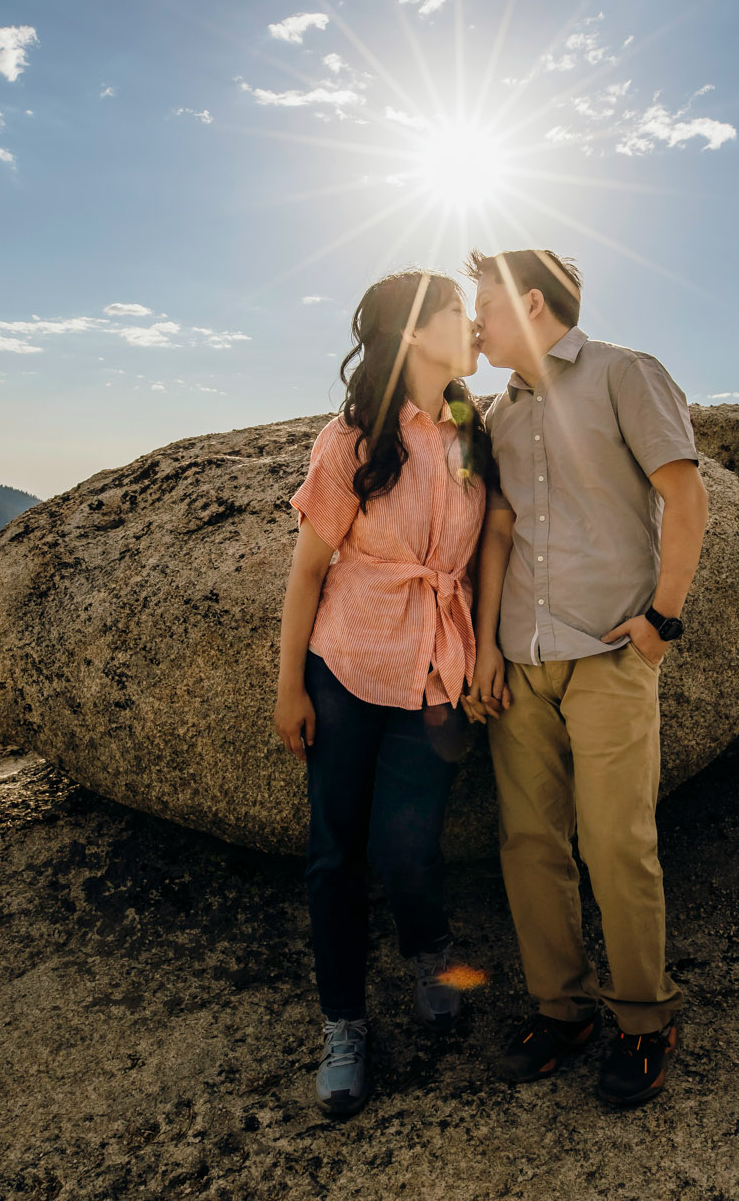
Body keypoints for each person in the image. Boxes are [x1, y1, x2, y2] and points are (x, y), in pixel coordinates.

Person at [466, 247, 709, 1108]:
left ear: (532, 305)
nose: (475, 319)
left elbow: (685, 495)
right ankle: (560, 1012)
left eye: (485, 303)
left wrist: (662, 619)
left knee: (616, 844)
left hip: (609, 656)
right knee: (530, 845)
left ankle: (645, 1022)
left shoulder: (625, 374)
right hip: (522, 663)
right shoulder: (498, 411)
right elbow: (498, 529)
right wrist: (488, 644)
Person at [272, 268, 492, 1118]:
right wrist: (290, 685)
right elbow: (307, 573)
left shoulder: (474, 427)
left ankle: (429, 951)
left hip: (435, 671)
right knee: (335, 856)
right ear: (414, 332)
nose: (473, 327)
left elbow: (488, 546)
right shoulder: (354, 437)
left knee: (413, 845)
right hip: (348, 667)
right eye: (458, 314)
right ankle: (344, 1026)